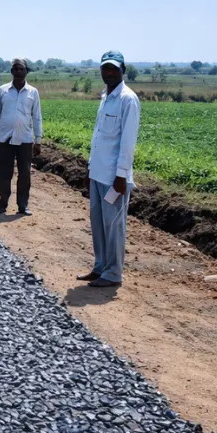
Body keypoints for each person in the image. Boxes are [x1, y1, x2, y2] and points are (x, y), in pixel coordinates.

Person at [79, 50, 140, 288]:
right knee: (98, 224)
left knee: (113, 227)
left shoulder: (128, 99)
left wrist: (121, 175)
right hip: (98, 172)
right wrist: (89, 169)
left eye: (114, 68)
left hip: (115, 177)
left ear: (123, 69)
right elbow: (98, 138)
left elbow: (127, 142)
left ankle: (114, 273)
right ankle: (100, 266)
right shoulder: (106, 96)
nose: (109, 72)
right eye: (105, 68)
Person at [0, 58, 42, 216]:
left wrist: (38, 139)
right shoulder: (3, 91)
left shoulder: (33, 92)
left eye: (21, 69)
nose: (18, 72)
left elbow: (37, 116)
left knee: (24, 173)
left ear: (26, 71)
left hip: (25, 139)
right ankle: (3, 203)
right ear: (12, 72)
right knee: (4, 172)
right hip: (4, 138)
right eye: (15, 69)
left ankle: (22, 205)